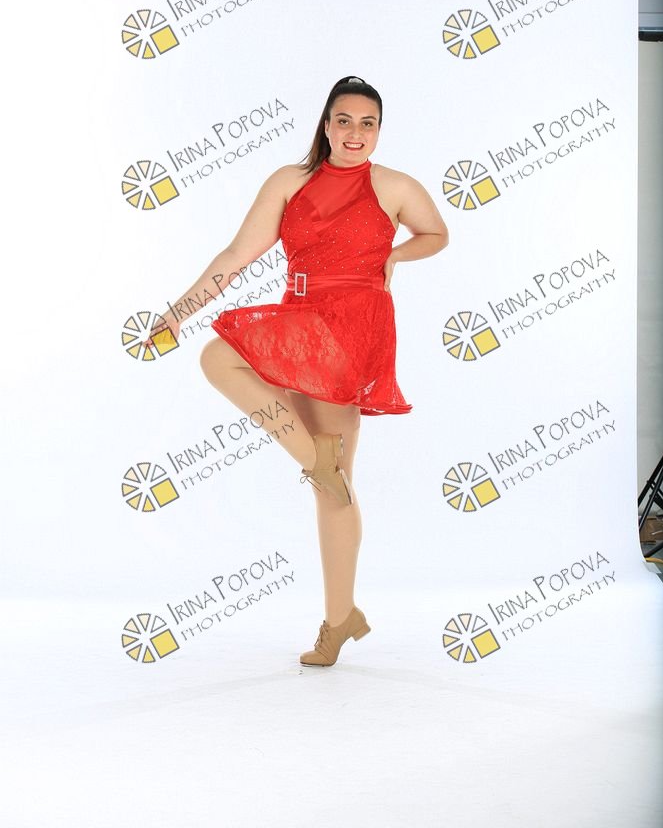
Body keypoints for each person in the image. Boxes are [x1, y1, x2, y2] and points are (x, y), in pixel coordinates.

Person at [147, 76, 449, 667]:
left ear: (379, 131)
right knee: (219, 357)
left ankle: (337, 623)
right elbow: (236, 255)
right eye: (344, 120)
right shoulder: (290, 181)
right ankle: (315, 460)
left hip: (353, 329)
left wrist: (394, 255)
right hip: (301, 322)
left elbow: (437, 234)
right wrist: (179, 313)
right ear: (326, 125)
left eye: (367, 123)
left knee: (334, 489)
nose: (355, 133)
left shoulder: (395, 186)